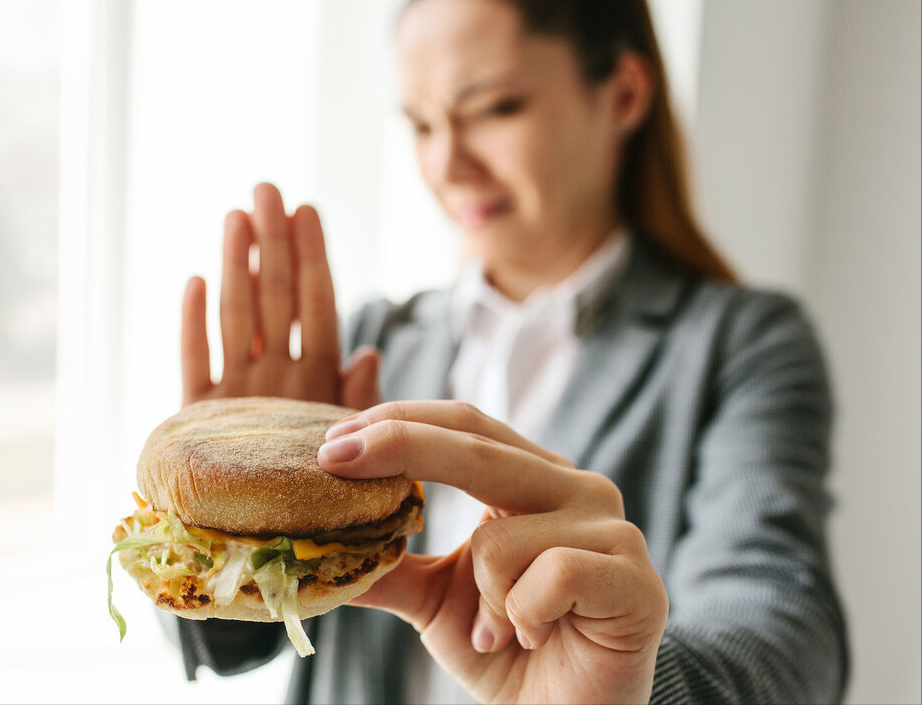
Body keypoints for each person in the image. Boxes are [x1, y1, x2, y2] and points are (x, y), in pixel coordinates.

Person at [171, 0, 848, 702]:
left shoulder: (739, 345)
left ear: (622, 93)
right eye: (421, 123)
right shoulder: (368, 345)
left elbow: (787, 632)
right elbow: (233, 644)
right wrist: (225, 533)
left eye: (493, 108)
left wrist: (630, 683)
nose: (446, 163)